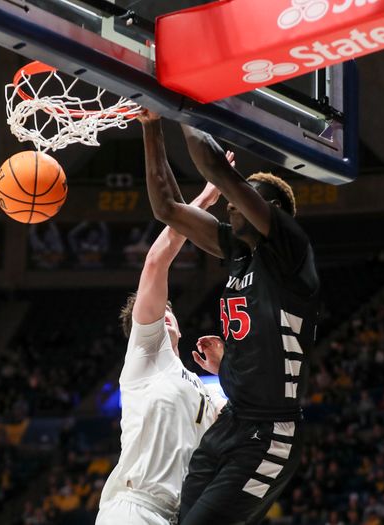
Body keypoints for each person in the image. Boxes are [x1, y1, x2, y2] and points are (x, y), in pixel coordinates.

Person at [138, 111, 320, 524]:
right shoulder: (239, 251)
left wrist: (178, 105)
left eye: (241, 202)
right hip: (231, 423)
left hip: (269, 434)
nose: (231, 211)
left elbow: (216, 169)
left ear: (269, 210)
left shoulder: (290, 251)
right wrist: (151, 124)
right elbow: (167, 208)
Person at [96, 182, 227, 525]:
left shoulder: (204, 391)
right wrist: (200, 204)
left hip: (176, 516)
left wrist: (227, 371)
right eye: (158, 310)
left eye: (170, 309)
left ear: (181, 326)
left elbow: (244, 415)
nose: (165, 311)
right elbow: (156, 262)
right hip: (133, 508)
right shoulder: (147, 355)